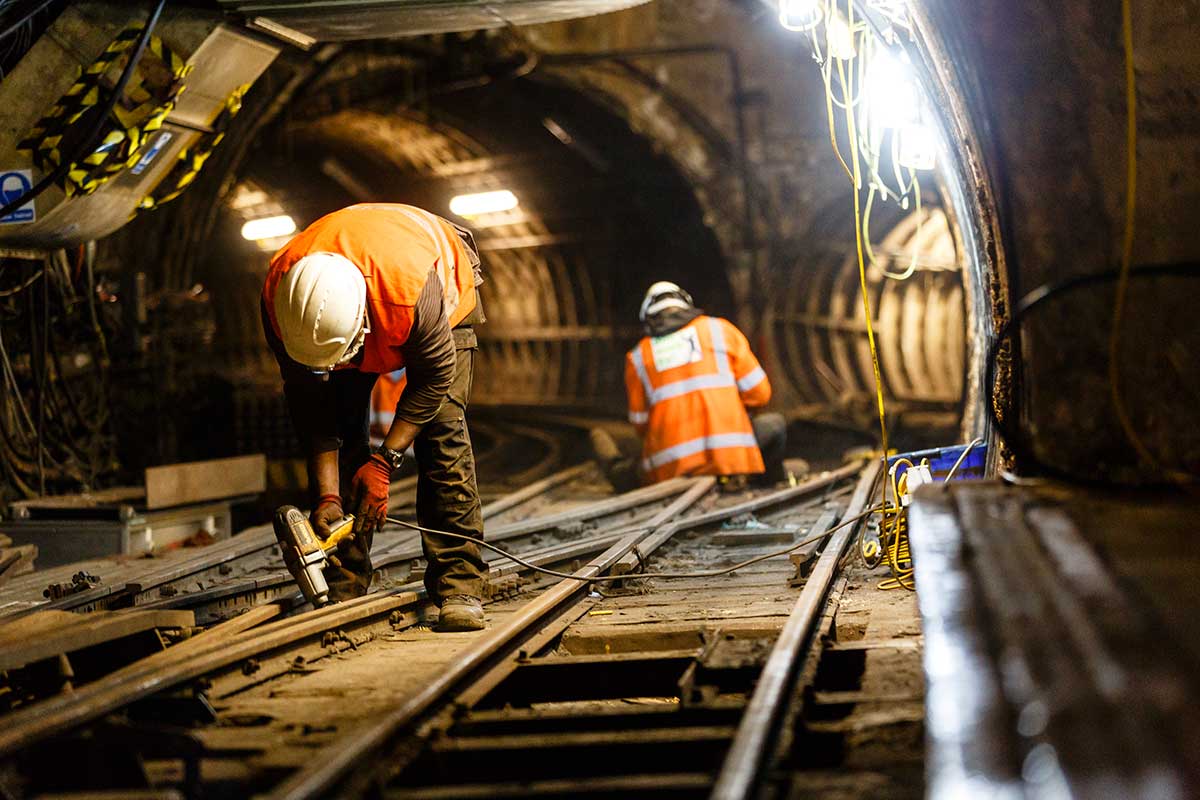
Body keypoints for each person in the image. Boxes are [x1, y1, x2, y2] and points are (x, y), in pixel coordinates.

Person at [261, 203, 487, 632]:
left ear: (361, 327)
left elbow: (433, 382)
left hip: (439, 288)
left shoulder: (408, 292)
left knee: (442, 438)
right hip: (353, 304)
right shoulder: (282, 303)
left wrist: (385, 463)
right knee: (346, 439)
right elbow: (315, 415)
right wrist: (328, 497)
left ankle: (460, 584)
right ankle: (344, 583)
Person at [595, 281, 787, 488]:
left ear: (648, 318)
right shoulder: (721, 330)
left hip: (670, 471)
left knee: (631, 472)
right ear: (686, 305)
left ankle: (616, 469)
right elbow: (760, 394)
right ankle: (762, 483)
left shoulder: (639, 357)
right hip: (729, 458)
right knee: (774, 425)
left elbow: (640, 422)